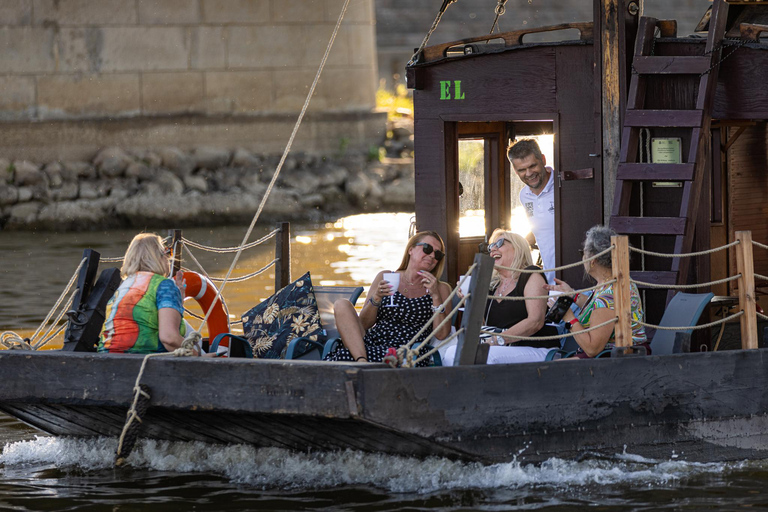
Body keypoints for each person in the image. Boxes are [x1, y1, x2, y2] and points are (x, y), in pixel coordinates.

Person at [325, 231, 452, 366]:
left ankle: (361, 364)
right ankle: (362, 362)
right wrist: (376, 298)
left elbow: (442, 334)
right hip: (372, 344)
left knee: (344, 356)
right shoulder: (385, 277)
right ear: (411, 250)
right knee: (341, 304)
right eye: (427, 248)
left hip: (407, 352)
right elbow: (364, 324)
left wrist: (435, 296)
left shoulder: (441, 288)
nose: (432, 255)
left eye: (438, 254)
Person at [442, 229, 558, 366]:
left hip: (536, 347)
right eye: (491, 246)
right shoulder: (492, 285)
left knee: (486, 357)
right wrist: (469, 299)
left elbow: (535, 321)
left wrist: (497, 340)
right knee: (451, 353)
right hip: (500, 348)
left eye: (499, 243)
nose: (492, 249)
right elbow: (482, 327)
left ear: (517, 247)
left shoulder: (531, 274)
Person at [545, 225, 648, 358]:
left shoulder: (608, 295)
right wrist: (572, 294)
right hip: (617, 353)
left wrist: (569, 318)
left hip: (615, 357)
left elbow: (592, 349)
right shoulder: (612, 282)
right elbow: (597, 310)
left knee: (550, 368)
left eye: (583, 253)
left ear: (592, 260)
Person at [98, 233, 192, 354]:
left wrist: (177, 301)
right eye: (167, 252)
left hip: (106, 356)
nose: (169, 258)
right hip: (144, 359)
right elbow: (169, 338)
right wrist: (198, 356)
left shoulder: (123, 287)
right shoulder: (164, 285)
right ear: (158, 257)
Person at [508, 139, 555, 283]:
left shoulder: (562, 186)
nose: (528, 173)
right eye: (522, 170)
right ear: (515, 170)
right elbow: (542, 228)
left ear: (543, 160)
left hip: (579, 278)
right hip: (551, 281)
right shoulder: (524, 195)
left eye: (532, 166)